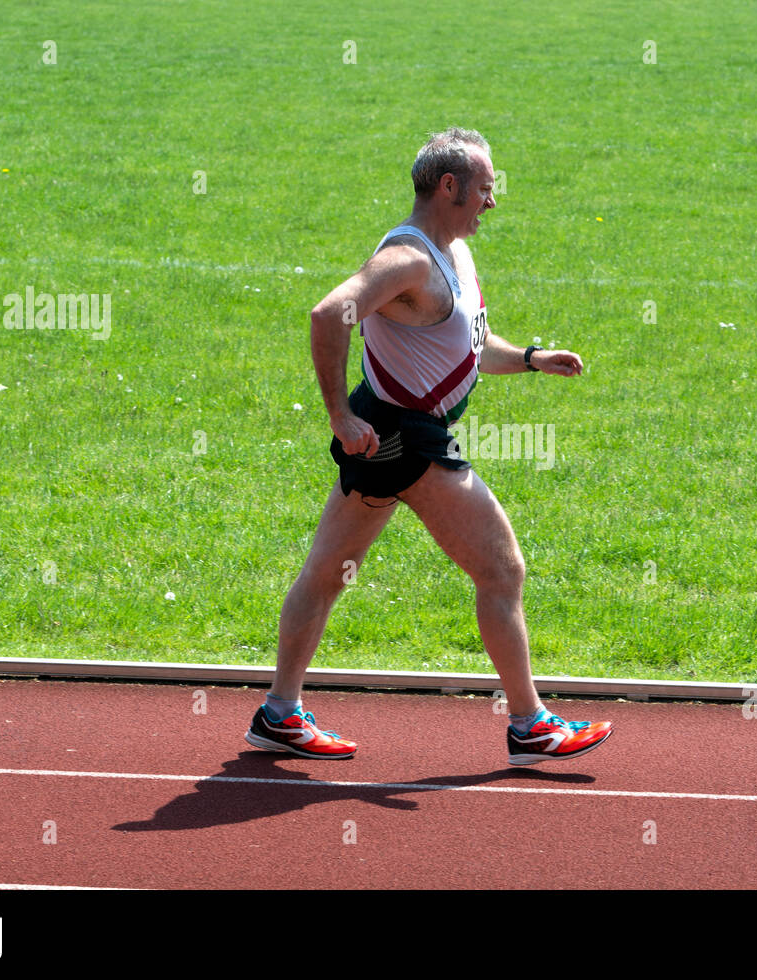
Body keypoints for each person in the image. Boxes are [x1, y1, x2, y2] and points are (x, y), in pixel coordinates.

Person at [245, 128, 612, 766]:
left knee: (328, 570)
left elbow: (469, 346)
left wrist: (530, 360)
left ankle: (279, 712)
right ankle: (529, 724)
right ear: (451, 187)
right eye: (486, 189)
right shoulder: (408, 260)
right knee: (502, 569)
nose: (492, 203)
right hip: (403, 438)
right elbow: (330, 314)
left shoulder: (455, 256)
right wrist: (337, 416)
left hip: (385, 436)